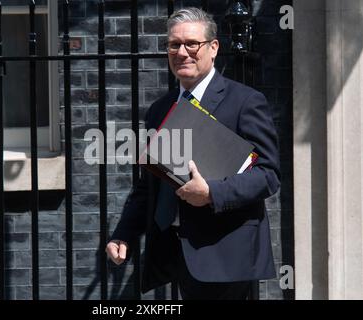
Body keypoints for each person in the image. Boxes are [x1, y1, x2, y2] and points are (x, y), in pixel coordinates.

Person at [106, 7, 280, 300]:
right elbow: (148, 185)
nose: (182, 52)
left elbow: (268, 175)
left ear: (213, 48)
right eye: (174, 44)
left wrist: (211, 192)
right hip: (176, 253)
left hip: (227, 254)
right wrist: (124, 234)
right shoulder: (160, 110)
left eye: (191, 44)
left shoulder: (245, 102)